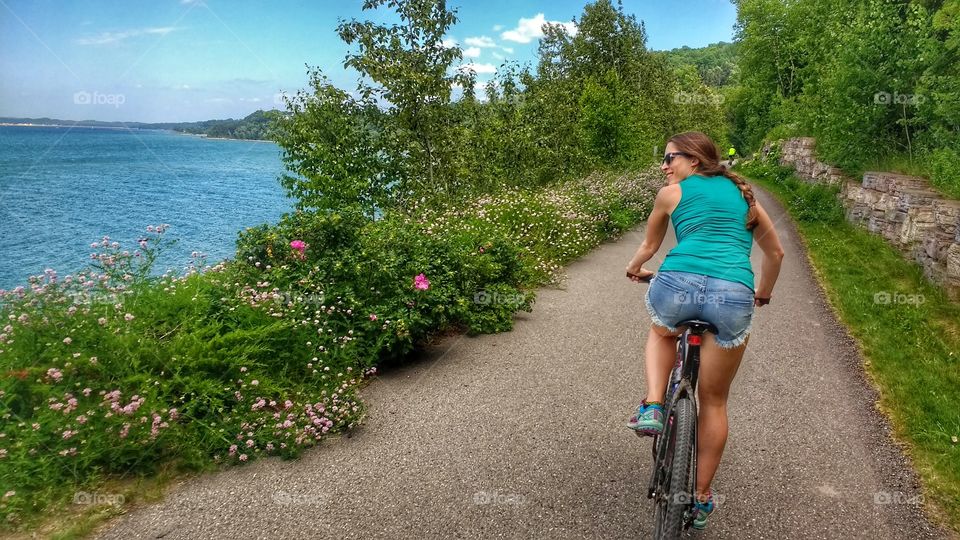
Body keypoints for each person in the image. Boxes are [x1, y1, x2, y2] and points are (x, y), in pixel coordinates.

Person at [624, 131, 784, 530]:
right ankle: (699, 498)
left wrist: (633, 268)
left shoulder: (670, 195)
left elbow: (649, 247)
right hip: (733, 295)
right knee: (713, 402)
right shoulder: (745, 197)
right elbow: (775, 252)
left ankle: (654, 405)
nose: (664, 166)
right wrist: (762, 293)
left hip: (676, 284)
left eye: (669, 158)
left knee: (662, 332)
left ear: (693, 160)